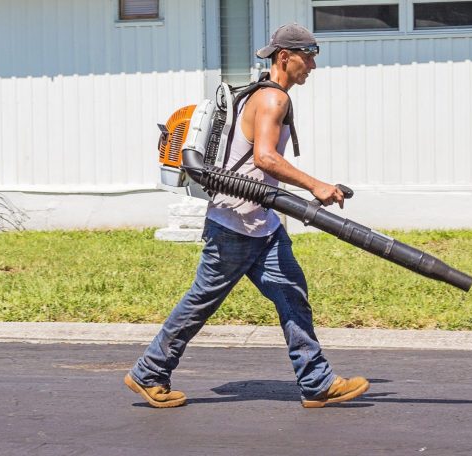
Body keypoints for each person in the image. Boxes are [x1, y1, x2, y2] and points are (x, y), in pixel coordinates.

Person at [124, 23, 369, 409]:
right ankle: (149, 371)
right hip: (235, 224)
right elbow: (265, 158)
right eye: (309, 57)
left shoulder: (257, 94)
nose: (313, 67)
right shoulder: (273, 100)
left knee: (292, 295)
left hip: (261, 223)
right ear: (284, 57)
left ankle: (317, 381)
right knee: (201, 302)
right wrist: (316, 186)